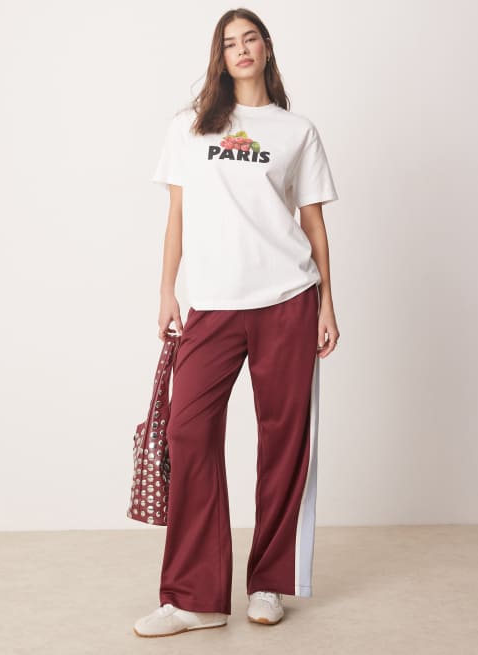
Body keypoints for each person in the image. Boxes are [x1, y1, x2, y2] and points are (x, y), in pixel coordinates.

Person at [133, 7, 340, 638]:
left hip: (288, 299)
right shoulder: (189, 127)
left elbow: (312, 224)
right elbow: (176, 216)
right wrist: (167, 292)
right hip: (213, 304)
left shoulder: (297, 131)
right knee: (188, 433)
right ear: (219, 58)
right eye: (229, 43)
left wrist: (328, 302)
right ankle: (194, 598)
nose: (241, 49)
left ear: (266, 49)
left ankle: (269, 582)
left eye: (250, 39)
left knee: (284, 442)